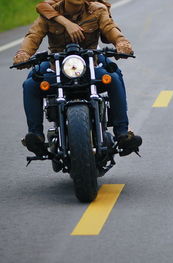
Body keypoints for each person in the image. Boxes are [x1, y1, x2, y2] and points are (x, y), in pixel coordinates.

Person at [13, 0, 141, 157]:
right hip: (57, 68)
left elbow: (111, 29)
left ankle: (122, 133)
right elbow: (33, 35)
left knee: (113, 77)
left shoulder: (97, 10)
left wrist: (121, 42)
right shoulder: (50, 12)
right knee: (30, 84)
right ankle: (35, 135)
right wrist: (23, 53)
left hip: (90, 66)